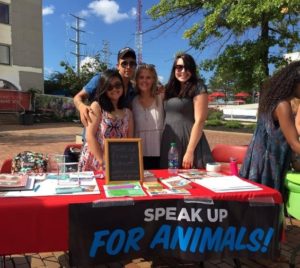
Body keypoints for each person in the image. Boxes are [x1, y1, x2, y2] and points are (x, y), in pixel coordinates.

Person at [239, 60, 300, 193]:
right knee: (267, 206)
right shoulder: (283, 106)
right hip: (269, 165)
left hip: (257, 162)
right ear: (294, 83)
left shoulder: (270, 102)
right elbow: (295, 143)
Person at [160, 53, 213, 169]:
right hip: (169, 142)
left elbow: (200, 121)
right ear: (174, 69)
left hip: (189, 142)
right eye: (179, 67)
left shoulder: (198, 87)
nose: (183, 71)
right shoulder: (169, 89)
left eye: (187, 67)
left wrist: (189, 151)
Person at [78, 69, 134, 172]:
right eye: (109, 87)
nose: (114, 89)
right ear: (104, 89)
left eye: (118, 85)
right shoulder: (97, 107)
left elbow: (129, 141)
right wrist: (102, 161)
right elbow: (89, 136)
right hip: (95, 162)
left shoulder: (128, 113)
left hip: (117, 163)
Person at [74, 47, 137, 127]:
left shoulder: (133, 90)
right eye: (124, 63)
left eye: (132, 64)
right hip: (94, 136)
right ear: (118, 66)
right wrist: (81, 107)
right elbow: (78, 97)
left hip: (119, 137)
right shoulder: (101, 79)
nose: (128, 67)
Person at [132, 63, 164, 169]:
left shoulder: (161, 97)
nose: (144, 81)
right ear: (136, 80)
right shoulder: (132, 101)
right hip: (138, 153)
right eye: (141, 77)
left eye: (148, 77)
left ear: (154, 79)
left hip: (160, 152)